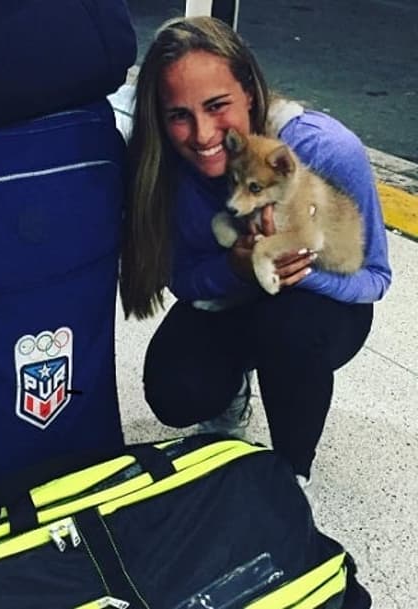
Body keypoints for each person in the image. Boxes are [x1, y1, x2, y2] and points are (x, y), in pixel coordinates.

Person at [119, 16, 392, 487]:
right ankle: (232, 389)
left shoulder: (324, 149)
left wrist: (300, 272)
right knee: (174, 390)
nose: (203, 135)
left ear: (249, 91)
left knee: (290, 328)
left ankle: (292, 471)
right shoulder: (164, 164)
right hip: (234, 293)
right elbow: (182, 279)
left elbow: (376, 278)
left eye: (217, 105)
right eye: (179, 115)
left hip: (314, 309)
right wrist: (235, 268)